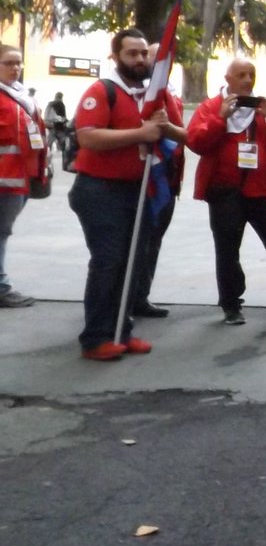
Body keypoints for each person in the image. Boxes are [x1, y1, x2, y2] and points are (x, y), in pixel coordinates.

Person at [68, 29, 187, 360]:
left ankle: (122, 329)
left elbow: (174, 137)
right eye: (131, 54)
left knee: (133, 261)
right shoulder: (101, 90)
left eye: (143, 54)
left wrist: (161, 128)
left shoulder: (149, 95)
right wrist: (141, 133)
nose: (139, 59)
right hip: (100, 190)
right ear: (115, 57)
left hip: (137, 189)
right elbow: (88, 137)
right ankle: (95, 337)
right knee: (109, 261)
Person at [186, 58, 266, 324]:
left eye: (251, 74)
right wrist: (221, 119)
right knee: (227, 250)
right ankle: (231, 305)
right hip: (224, 192)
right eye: (241, 75)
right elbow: (196, 142)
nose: (247, 80)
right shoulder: (211, 107)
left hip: (263, 190)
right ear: (228, 78)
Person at [0, 45, 48, 307]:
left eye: (18, 63)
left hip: (20, 178)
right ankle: (1, 288)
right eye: (8, 63)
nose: (15, 68)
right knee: (0, 233)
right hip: (5, 180)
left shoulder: (20, 96)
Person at [44, 91, 69, 156]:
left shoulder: (50, 104)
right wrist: (66, 122)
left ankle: (47, 156)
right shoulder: (60, 104)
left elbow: (46, 115)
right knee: (62, 144)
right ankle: (62, 159)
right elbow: (62, 116)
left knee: (49, 144)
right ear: (61, 97)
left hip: (50, 126)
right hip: (59, 127)